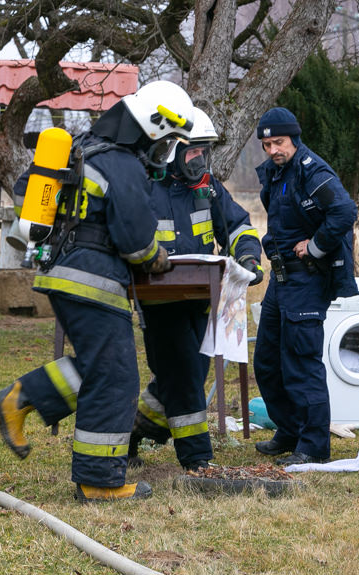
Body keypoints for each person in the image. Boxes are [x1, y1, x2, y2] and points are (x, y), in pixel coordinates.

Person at [0, 81, 196, 502]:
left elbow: (28, 188)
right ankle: (99, 481)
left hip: (61, 273)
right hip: (94, 281)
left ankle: (20, 399)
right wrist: (158, 257)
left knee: (100, 367)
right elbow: (135, 239)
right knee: (117, 378)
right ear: (152, 128)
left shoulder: (81, 146)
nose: (165, 152)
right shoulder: (123, 163)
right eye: (167, 141)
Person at [128, 108, 264, 471]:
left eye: (203, 152)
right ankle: (197, 458)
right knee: (186, 375)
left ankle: (132, 432)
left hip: (205, 302)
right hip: (160, 304)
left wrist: (249, 258)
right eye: (192, 152)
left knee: (179, 376)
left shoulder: (208, 187)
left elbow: (237, 227)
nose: (199, 159)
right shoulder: (144, 188)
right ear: (170, 149)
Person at [252, 107, 359, 466]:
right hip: (280, 278)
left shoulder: (313, 171)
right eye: (266, 144)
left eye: (278, 143)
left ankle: (313, 447)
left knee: (300, 361)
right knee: (267, 361)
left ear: (294, 139)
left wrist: (315, 246)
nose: (272, 151)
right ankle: (290, 430)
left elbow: (344, 211)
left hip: (308, 277)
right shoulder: (277, 172)